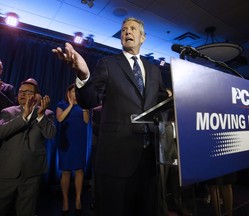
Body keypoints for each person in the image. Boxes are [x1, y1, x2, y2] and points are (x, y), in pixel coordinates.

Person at [52, 17, 169, 216]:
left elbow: (159, 103)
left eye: (132, 29)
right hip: (117, 159)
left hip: (149, 160)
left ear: (143, 37)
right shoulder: (108, 64)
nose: (127, 32)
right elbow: (89, 99)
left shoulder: (155, 71)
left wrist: (172, 97)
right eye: (124, 29)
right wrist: (83, 76)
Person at [0, 78, 56, 216]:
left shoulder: (46, 113)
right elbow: (1, 132)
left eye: (27, 91)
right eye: (20, 91)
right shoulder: (8, 112)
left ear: (36, 96)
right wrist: (23, 116)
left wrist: (41, 115)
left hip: (32, 173)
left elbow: (50, 134)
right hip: (7, 171)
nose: (22, 94)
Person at [56, 83, 90, 216]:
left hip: (79, 142)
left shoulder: (83, 106)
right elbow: (59, 119)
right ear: (68, 93)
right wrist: (70, 105)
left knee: (79, 170)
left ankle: (78, 199)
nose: (75, 94)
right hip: (66, 142)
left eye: (77, 92)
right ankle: (65, 201)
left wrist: (84, 107)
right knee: (65, 172)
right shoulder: (61, 104)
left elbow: (86, 121)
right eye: (73, 92)